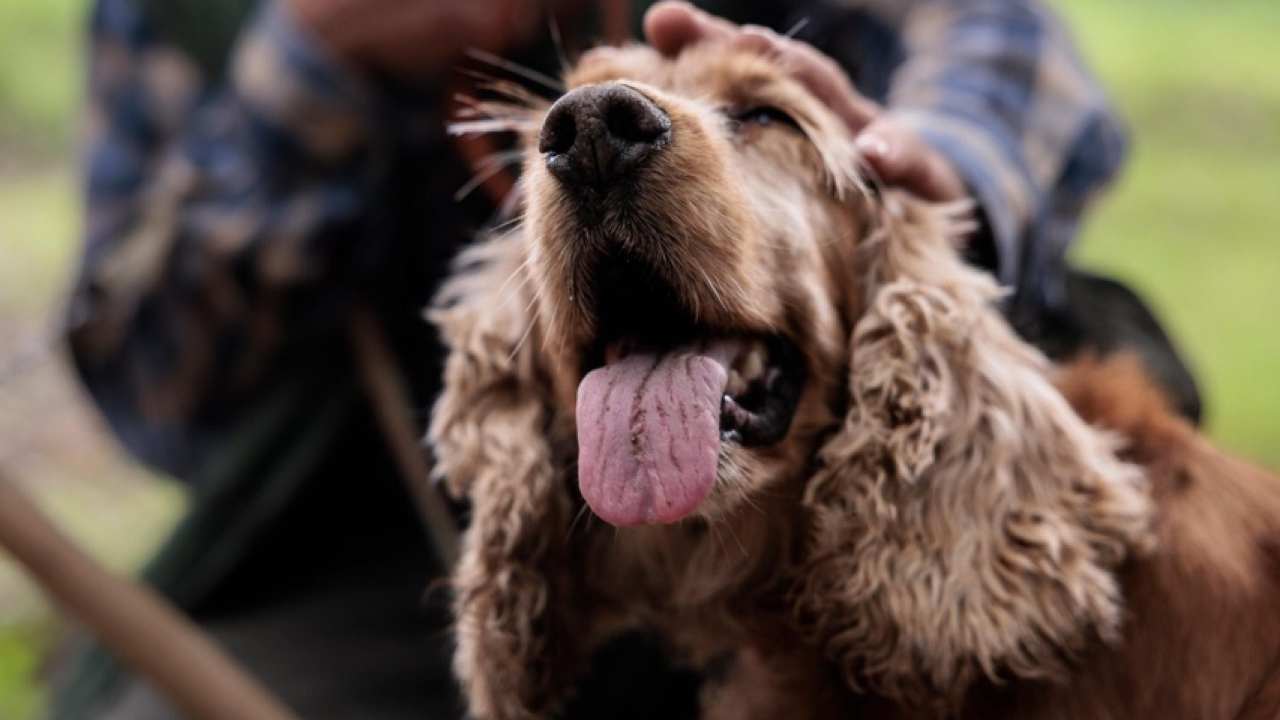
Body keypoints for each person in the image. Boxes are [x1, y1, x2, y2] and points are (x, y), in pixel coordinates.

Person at [57, 0, 1199, 717]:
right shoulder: (179, 19)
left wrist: (914, 180)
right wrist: (309, 67)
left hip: (882, 465)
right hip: (392, 534)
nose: (589, 129)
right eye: (557, 125)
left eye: (756, 118)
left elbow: (1002, 54)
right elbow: (152, 391)